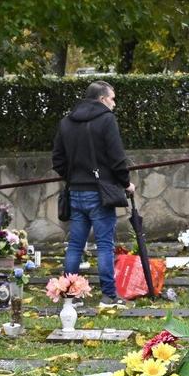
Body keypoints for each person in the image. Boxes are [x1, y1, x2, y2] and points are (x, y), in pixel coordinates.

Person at [51, 80, 132, 300]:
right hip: (100, 193)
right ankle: (109, 295)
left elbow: (57, 160)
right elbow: (117, 159)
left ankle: (68, 293)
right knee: (105, 244)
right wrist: (126, 184)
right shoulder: (107, 120)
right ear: (102, 99)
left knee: (76, 244)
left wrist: (73, 177)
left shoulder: (67, 121)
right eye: (113, 99)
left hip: (75, 191)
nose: (114, 104)